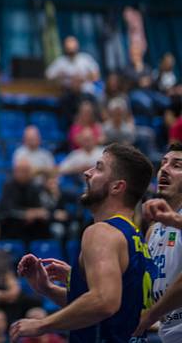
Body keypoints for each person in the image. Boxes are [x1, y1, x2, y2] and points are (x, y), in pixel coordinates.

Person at [11, 143, 155, 340]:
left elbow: (104, 302)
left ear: (117, 186)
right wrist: (49, 289)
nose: (87, 172)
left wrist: (43, 324)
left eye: (99, 167)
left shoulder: (102, 232)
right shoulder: (134, 237)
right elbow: (111, 312)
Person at [134, 143, 182, 340]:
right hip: (167, 333)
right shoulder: (153, 230)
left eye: (177, 165)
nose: (164, 168)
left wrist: (149, 316)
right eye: (163, 163)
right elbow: (139, 287)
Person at [0, 158, 51, 242]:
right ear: (15, 171)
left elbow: (40, 207)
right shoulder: (8, 187)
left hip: (32, 225)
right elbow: (8, 209)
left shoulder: (34, 186)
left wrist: (36, 213)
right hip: (13, 225)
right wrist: (25, 214)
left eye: (27, 171)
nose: (25, 174)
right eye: (22, 171)